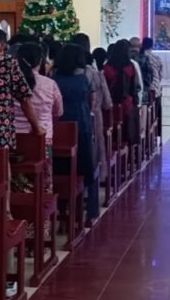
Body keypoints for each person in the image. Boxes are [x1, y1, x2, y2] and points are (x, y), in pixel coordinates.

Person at [13, 42, 62, 228]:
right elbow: (59, 111)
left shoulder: (10, 81)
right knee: (44, 184)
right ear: (39, 61)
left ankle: (18, 227)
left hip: (15, 141)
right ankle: (42, 230)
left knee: (16, 186)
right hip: (42, 141)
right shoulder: (49, 84)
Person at [52, 44, 99, 226]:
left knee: (60, 168)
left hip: (58, 126)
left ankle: (62, 209)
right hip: (81, 125)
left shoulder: (53, 77)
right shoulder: (84, 77)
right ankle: (90, 212)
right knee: (86, 167)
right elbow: (92, 101)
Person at [72, 34, 112, 186]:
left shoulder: (57, 73)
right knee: (92, 150)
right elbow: (106, 102)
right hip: (90, 117)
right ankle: (95, 181)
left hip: (64, 120)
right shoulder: (92, 71)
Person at [103, 42, 138, 145]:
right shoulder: (130, 67)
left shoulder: (107, 67)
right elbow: (134, 86)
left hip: (111, 103)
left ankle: (111, 145)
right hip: (127, 102)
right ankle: (129, 145)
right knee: (127, 127)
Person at [140, 37, 163, 140]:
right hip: (154, 89)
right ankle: (154, 135)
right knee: (155, 112)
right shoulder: (157, 58)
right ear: (152, 46)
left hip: (142, 90)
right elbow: (160, 75)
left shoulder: (139, 57)